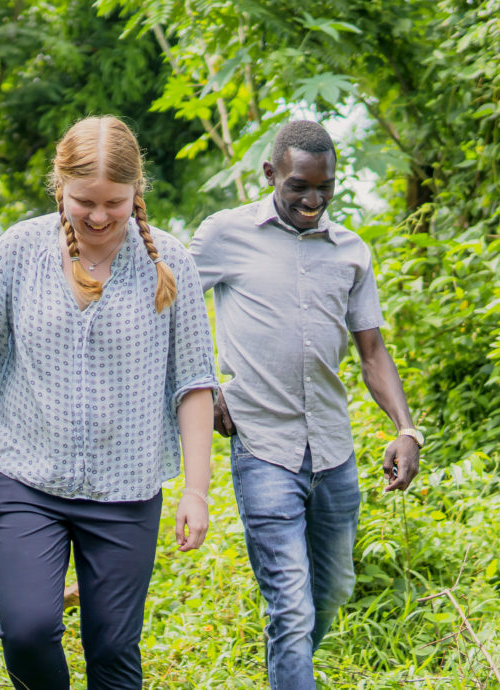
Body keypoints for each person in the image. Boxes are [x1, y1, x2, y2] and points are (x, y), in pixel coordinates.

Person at [0, 115, 217, 690]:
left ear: (136, 193)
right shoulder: (18, 250)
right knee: (26, 629)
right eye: (84, 201)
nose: (98, 217)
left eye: (114, 203)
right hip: (25, 478)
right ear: (59, 188)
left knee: (114, 649)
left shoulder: (169, 264)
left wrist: (196, 491)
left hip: (127, 489)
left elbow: (194, 383)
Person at [188, 119, 422, 689]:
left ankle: (285, 671)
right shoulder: (224, 235)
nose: (313, 201)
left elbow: (372, 351)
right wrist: (203, 384)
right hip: (264, 449)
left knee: (331, 591)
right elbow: (166, 308)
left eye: (325, 188)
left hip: (335, 455)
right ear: (270, 174)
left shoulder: (352, 252)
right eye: (298, 187)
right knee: (290, 610)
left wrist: (407, 429)